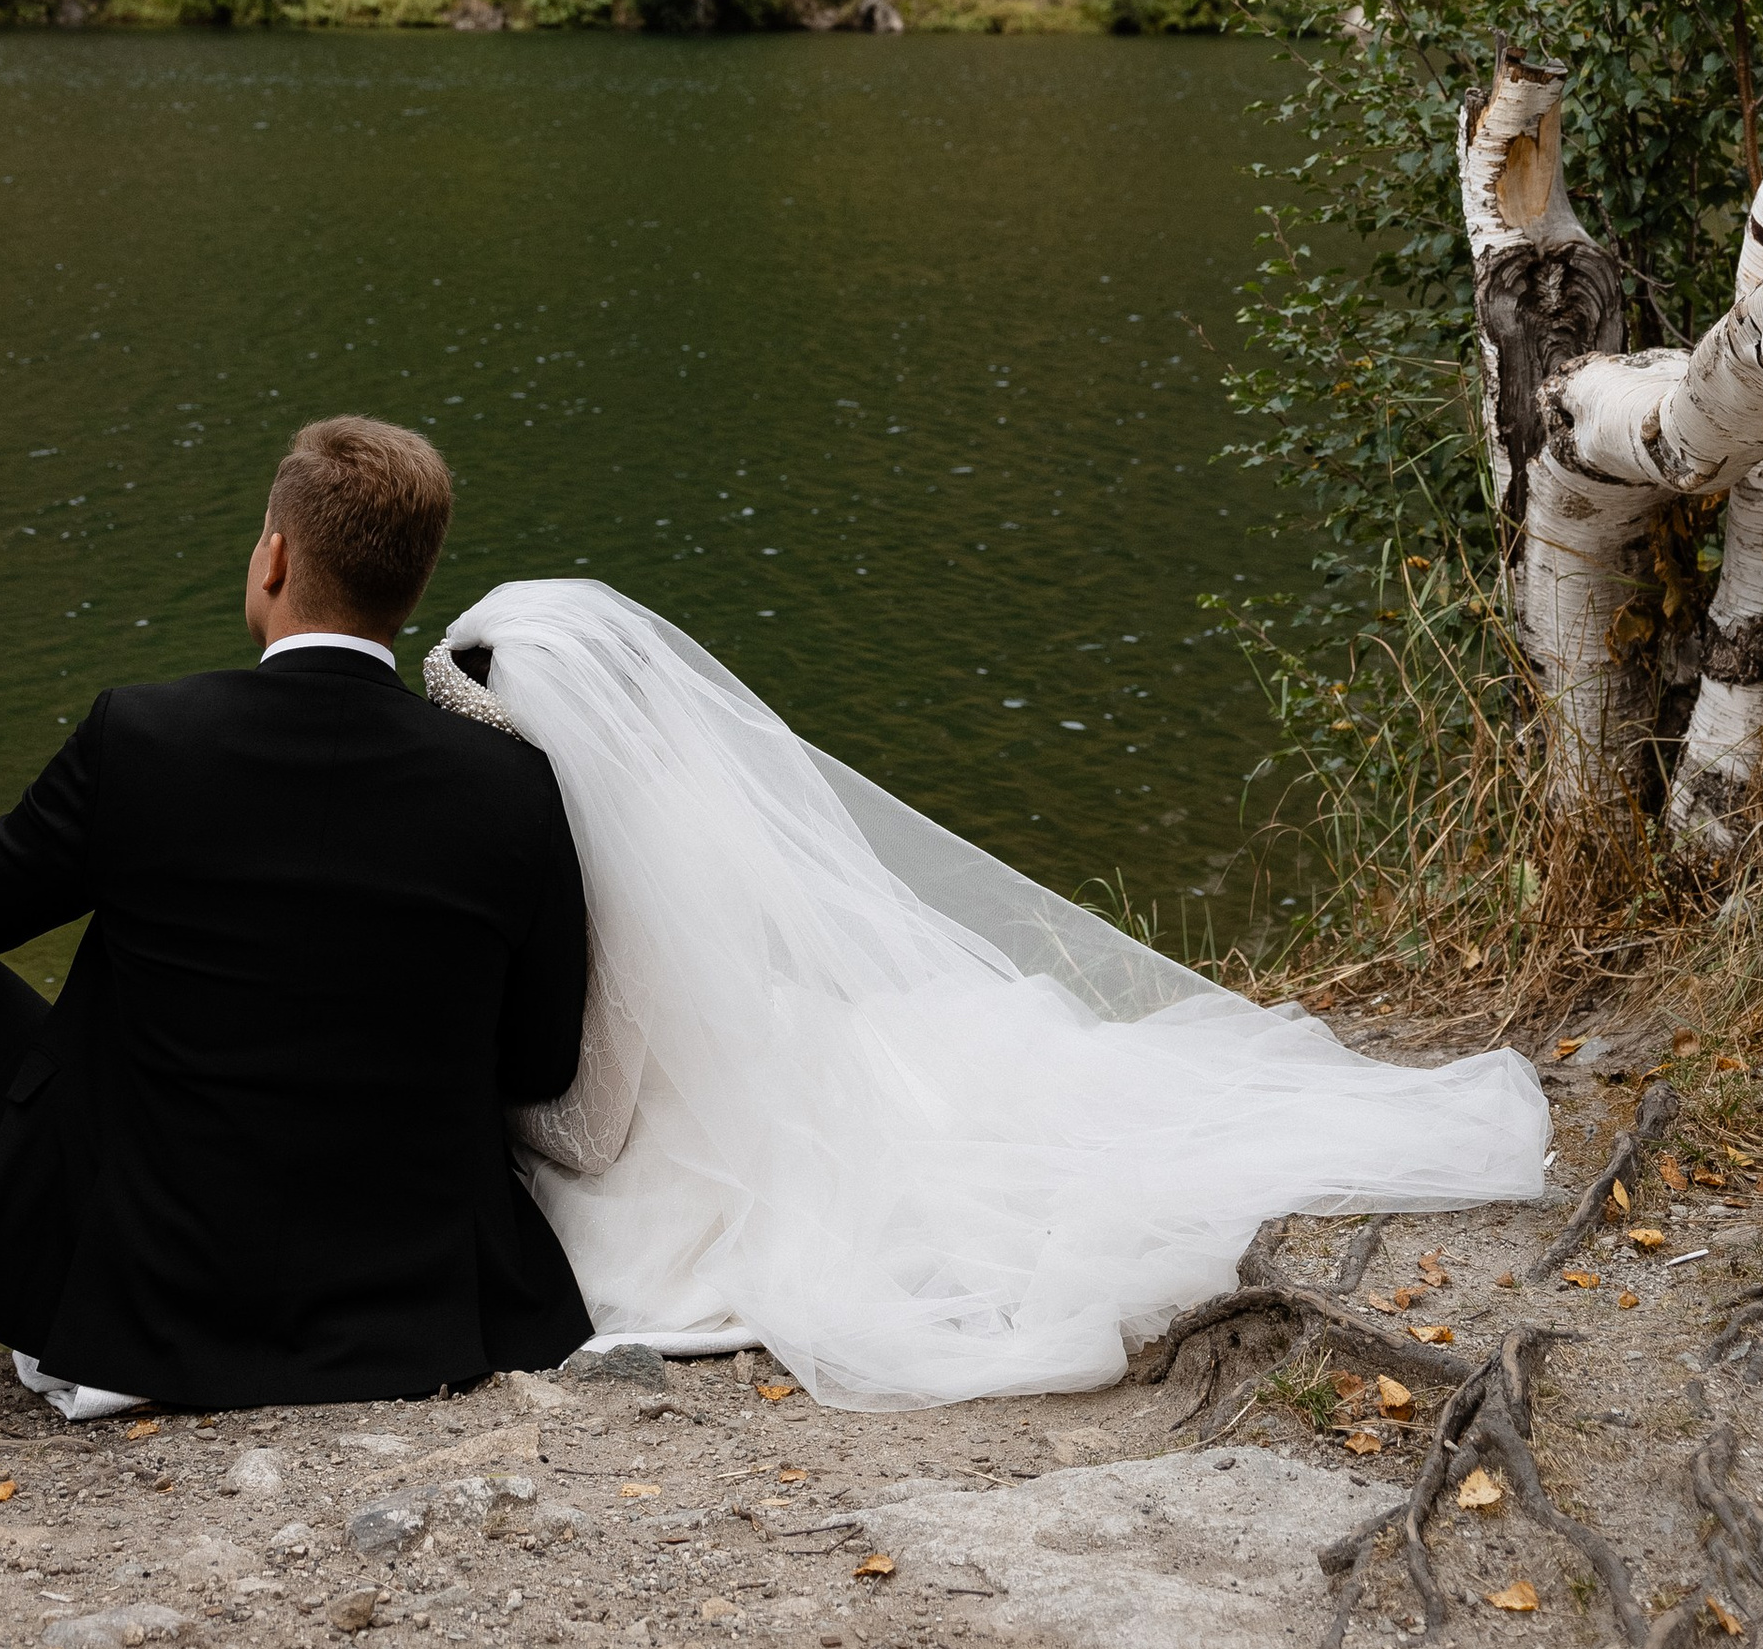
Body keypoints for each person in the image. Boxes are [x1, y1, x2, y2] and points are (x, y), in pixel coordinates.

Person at [424, 577, 1554, 1411]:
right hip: (781, 1059)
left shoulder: (593, 858)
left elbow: (595, 1122)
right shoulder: (674, 814)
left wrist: (488, 1114)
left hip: (681, 1159)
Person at [0, 415, 592, 1412]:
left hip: (153, 1302)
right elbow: (541, 1065)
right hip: (414, 1306)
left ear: (273, 557)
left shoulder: (146, 739)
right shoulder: (511, 788)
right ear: (412, 591)